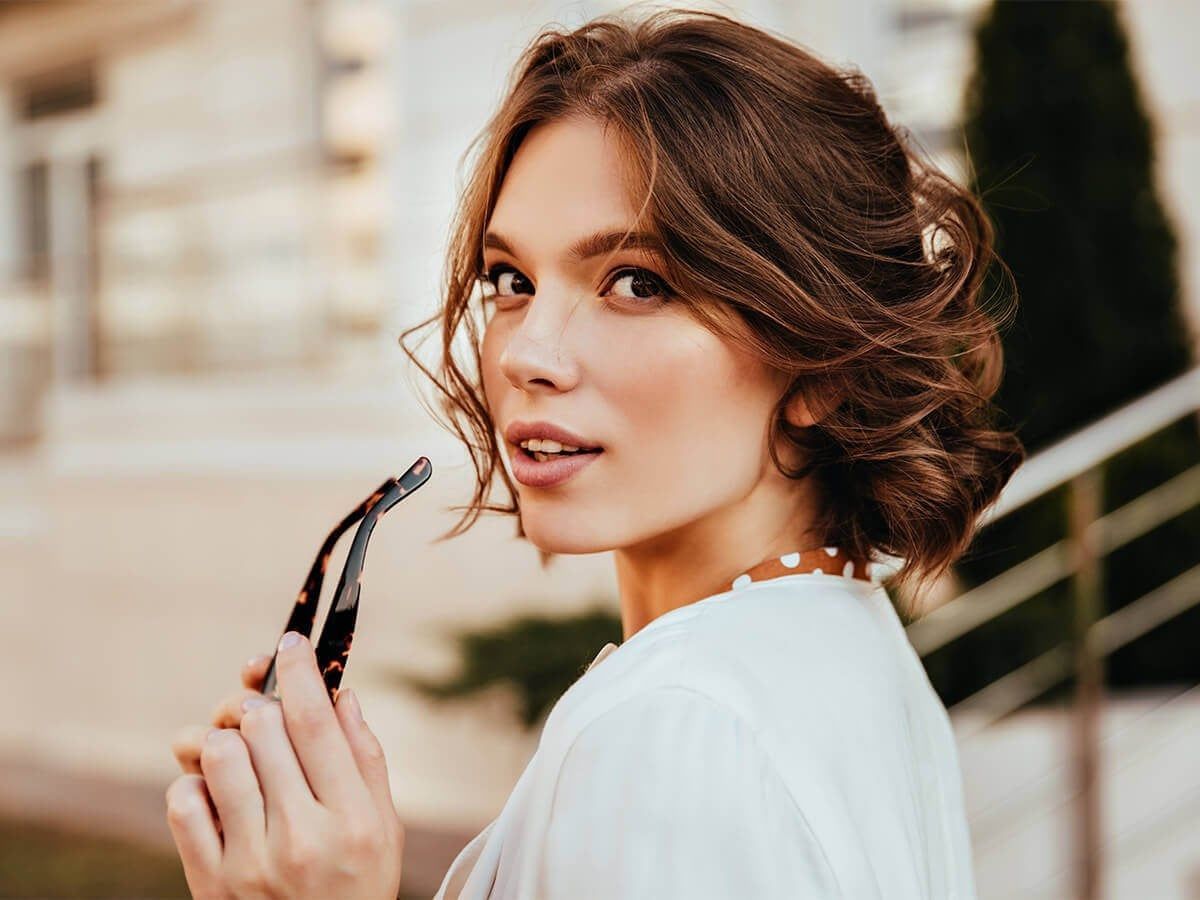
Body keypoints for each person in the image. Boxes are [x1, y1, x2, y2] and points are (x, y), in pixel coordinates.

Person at [168, 7, 1025, 898]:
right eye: (512, 280)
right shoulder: (848, 650)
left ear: (824, 364)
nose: (526, 354)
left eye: (637, 283)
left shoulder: (678, 728)